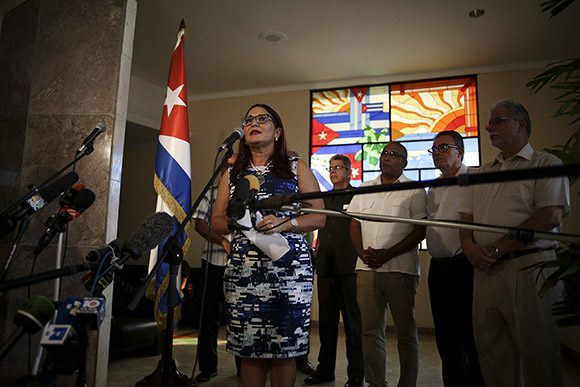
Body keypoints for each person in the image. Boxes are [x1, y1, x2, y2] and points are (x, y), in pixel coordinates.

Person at [211, 103, 325, 387]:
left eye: (263, 118)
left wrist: (285, 224)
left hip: (287, 271)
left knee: (283, 350)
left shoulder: (295, 166)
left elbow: (319, 216)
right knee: (250, 350)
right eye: (248, 119)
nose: (254, 123)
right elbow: (216, 222)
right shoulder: (231, 174)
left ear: (278, 131)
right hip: (244, 272)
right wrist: (242, 221)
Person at [459, 99, 570, 387]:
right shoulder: (481, 172)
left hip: (529, 268)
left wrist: (498, 248)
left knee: (538, 353)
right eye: (489, 122)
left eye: (497, 121)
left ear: (521, 125)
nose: (488, 127)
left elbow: (550, 215)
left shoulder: (546, 164)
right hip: (484, 270)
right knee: (492, 353)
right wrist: (470, 248)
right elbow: (466, 218)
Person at [348, 142, 426, 387]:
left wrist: (387, 253)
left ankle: (408, 382)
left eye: (394, 155)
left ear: (404, 162)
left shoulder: (414, 190)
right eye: (384, 153)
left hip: (400, 270)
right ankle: (376, 382)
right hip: (367, 270)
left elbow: (420, 230)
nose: (387, 158)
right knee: (371, 331)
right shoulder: (364, 188)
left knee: (405, 332)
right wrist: (362, 253)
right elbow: (355, 224)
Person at [425, 131, 483, 387]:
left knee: (469, 335)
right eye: (434, 149)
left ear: (460, 152)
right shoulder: (434, 187)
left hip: (465, 267)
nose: (437, 152)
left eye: (443, 147)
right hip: (438, 269)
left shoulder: (475, 180)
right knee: (445, 338)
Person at [305, 154, 364, 387]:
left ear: (350, 172)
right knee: (327, 324)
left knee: (352, 325)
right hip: (326, 267)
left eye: (338, 167)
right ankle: (325, 371)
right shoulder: (323, 198)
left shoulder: (357, 195)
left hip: (349, 267)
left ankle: (356, 375)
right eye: (330, 168)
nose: (333, 171)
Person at [192, 157, 241, 383]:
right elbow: (200, 224)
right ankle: (207, 366)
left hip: (241, 264)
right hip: (212, 261)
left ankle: (245, 367)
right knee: (208, 316)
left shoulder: (246, 191)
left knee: (240, 317)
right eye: (228, 166)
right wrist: (222, 241)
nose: (230, 170)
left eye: (235, 166)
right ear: (222, 169)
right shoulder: (211, 191)